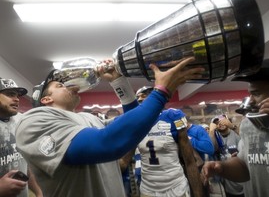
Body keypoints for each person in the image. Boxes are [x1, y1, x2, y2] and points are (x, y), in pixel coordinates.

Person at [15, 57, 205, 197]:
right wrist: (162, 92)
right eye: (59, 85)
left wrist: (118, 81)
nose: (69, 85)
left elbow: (132, 128)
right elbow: (108, 143)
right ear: (46, 99)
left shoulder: (86, 118)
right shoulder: (33, 121)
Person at [201, 58, 269, 197]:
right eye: (250, 94)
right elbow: (245, 167)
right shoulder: (248, 124)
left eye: (257, 93)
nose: (251, 100)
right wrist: (222, 167)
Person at [121, 86, 213, 197]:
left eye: (144, 97)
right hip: (148, 189)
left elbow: (189, 161)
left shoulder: (173, 116)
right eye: (138, 99)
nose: (140, 101)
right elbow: (124, 161)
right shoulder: (136, 124)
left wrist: (198, 194)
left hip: (175, 188)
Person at [0, 78, 42, 197]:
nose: (17, 99)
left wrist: (38, 191)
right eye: (10, 94)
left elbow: (24, 163)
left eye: (17, 95)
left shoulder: (20, 120)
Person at [211, 114, 244, 197]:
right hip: (228, 183)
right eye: (217, 123)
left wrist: (232, 126)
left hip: (243, 180)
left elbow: (247, 138)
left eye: (222, 121)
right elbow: (211, 149)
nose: (220, 123)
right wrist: (211, 132)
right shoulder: (216, 137)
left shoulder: (235, 133)